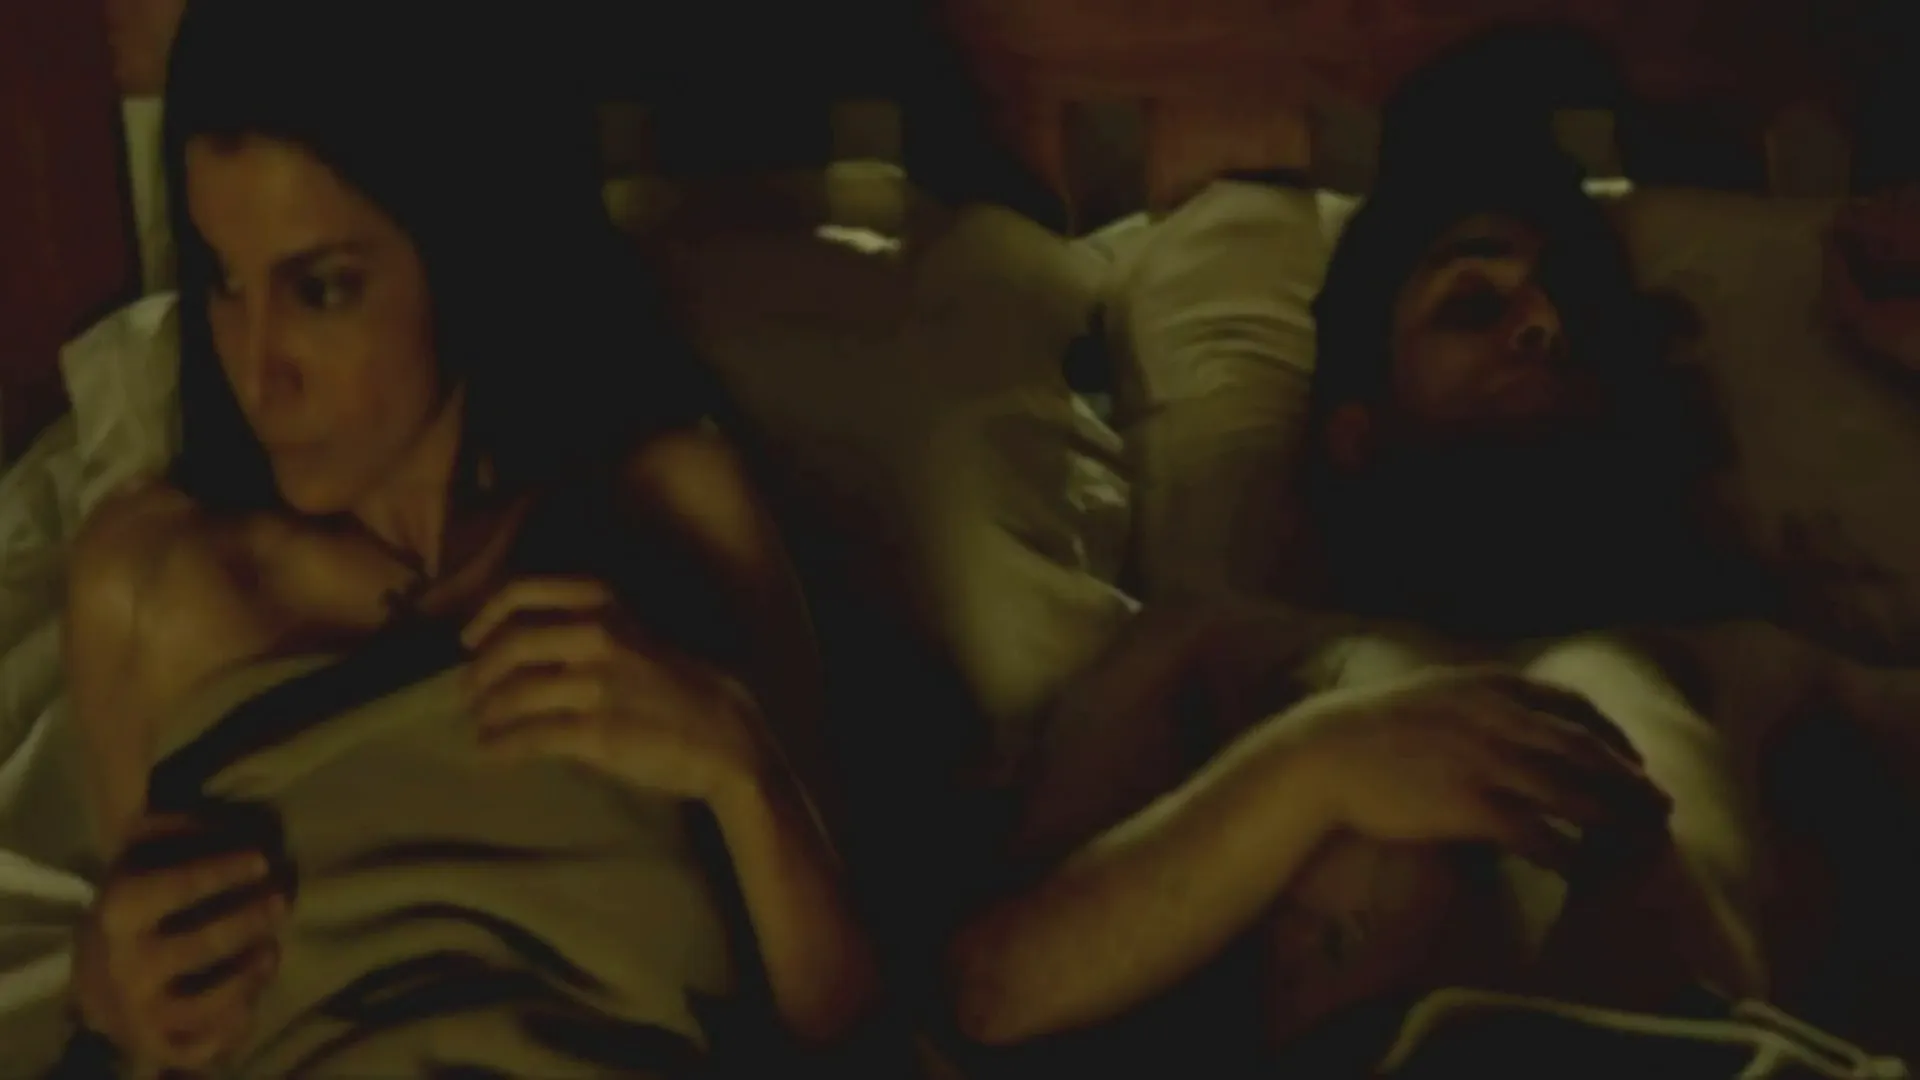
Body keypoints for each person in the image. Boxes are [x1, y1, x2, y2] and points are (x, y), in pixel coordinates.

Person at [56, 2, 877, 1075]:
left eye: (321, 290)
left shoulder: (666, 510)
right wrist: (106, 999)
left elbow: (849, 1021)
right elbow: (148, 1024)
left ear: (464, 250)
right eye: (222, 281)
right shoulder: (153, 589)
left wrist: (741, 767)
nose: (256, 370)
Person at [943, 61, 1777, 1079]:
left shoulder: (1751, 669)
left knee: (1612, 679)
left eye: (1578, 314)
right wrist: (1317, 771)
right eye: (1471, 306)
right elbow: (987, 995)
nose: (1544, 323)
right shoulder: (1218, 648)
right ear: (1358, 428)